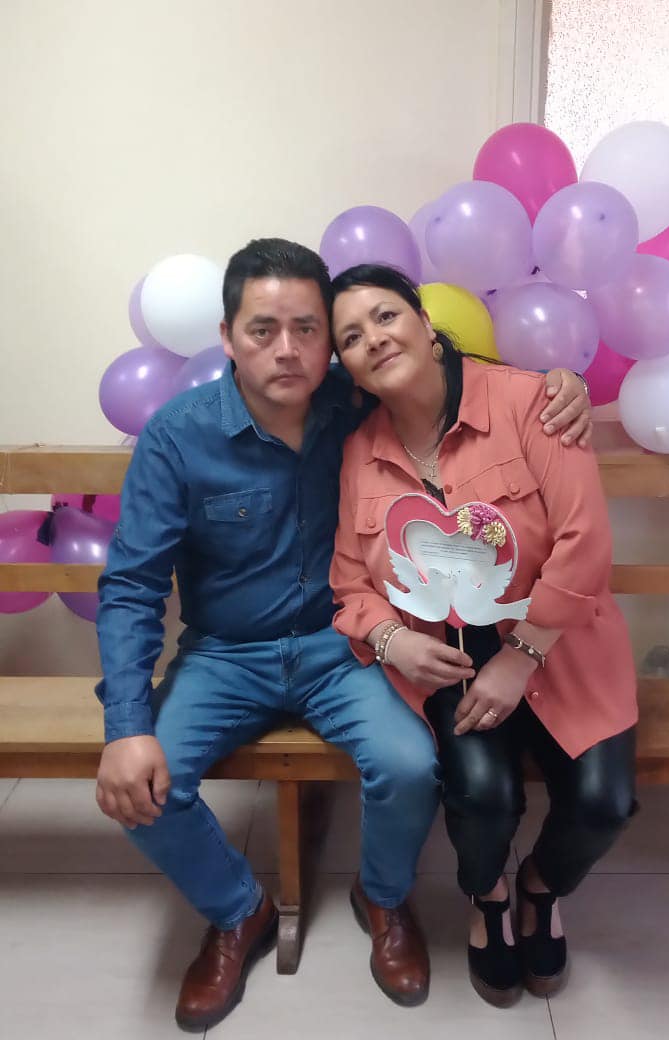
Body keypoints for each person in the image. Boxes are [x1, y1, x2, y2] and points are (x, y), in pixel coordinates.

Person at [94, 238, 591, 1030]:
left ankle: (383, 898)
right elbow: (131, 585)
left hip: (342, 645)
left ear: (329, 341)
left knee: (410, 764)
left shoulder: (358, 400)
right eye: (262, 330)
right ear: (227, 337)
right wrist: (126, 725)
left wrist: (560, 384)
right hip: (225, 656)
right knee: (141, 792)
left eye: (307, 328)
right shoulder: (177, 437)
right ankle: (239, 910)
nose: (287, 350)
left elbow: (458, 386)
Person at [328, 264, 637, 1008]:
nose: (374, 339)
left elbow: (586, 542)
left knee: (604, 802)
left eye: (386, 316)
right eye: (351, 337)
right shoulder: (358, 451)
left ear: (426, 325)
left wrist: (522, 656)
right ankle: (489, 897)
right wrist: (392, 641)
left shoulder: (532, 402)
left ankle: (540, 889)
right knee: (480, 796)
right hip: (450, 653)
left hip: (559, 639)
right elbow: (349, 584)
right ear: (350, 370)